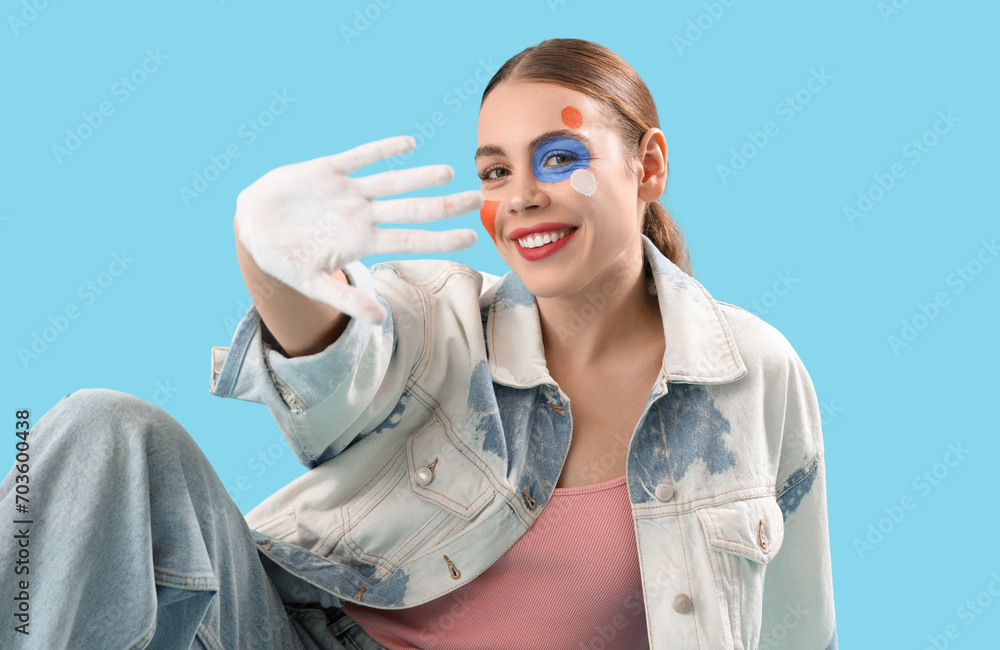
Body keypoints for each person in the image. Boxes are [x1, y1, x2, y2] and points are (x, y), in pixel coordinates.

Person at [0, 38, 836, 649]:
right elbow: (328, 380)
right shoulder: (442, 315)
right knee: (102, 429)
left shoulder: (753, 375)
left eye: (558, 157)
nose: (522, 197)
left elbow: (797, 630)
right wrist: (272, 263)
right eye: (497, 171)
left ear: (648, 165)